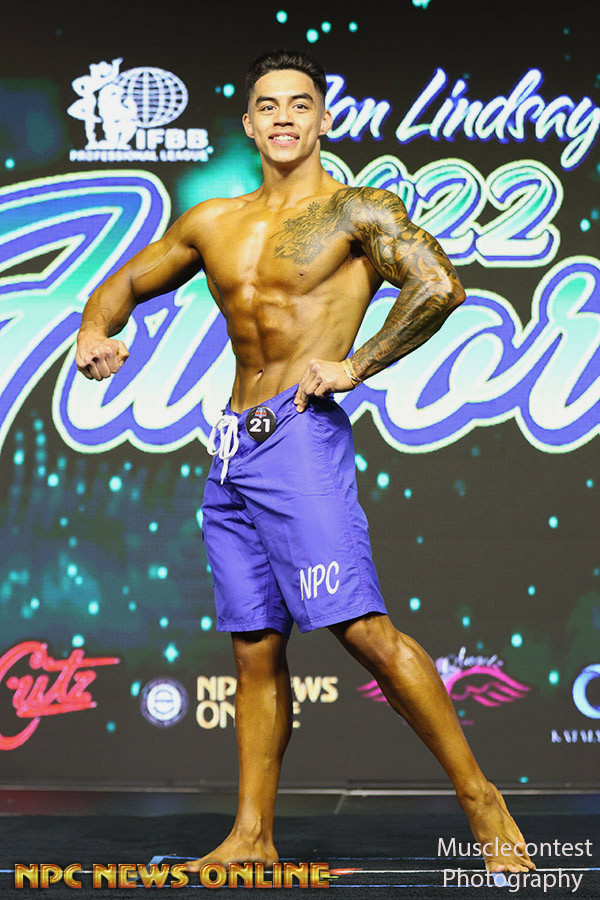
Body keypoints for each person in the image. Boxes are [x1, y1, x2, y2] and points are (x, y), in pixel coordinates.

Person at [75, 49, 536, 876]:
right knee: (254, 647)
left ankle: (482, 801)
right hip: (230, 451)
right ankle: (252, 836)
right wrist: (92, 331)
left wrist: (358, 364)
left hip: (300, 436)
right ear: (249, 125)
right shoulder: (213, 222)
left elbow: (439, 285)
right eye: (268, 106)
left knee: (362, 630)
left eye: (300, 104)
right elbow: (125, 285)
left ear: (323, 119)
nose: (284, 117)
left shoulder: (356, 211)